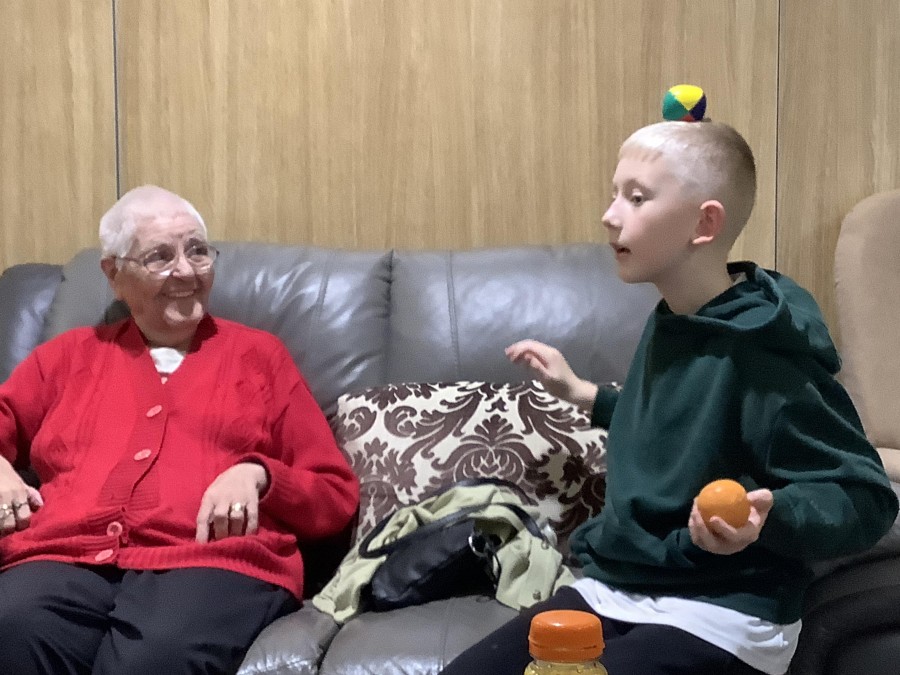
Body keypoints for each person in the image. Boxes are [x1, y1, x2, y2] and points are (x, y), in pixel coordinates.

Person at [439, 121, 898, 675]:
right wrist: (581, 393)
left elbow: (865, 497)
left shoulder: (762, 350)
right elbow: (678, 422)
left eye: (636, 198)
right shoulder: (674, 320)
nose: (610, 215)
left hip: (723, 612)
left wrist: (771, 515)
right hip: (617, 586)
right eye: (615, 194)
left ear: (704, 224)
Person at [0, 185, 360, 674]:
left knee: (154, 657)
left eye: (197, 251)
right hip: (61, 556)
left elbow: (334, 494)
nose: (186, 271)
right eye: (160, 257)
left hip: (209, 563)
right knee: (13, 626)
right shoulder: (66, 357)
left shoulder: (259, 357)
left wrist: (259, 475)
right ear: (114, 275)